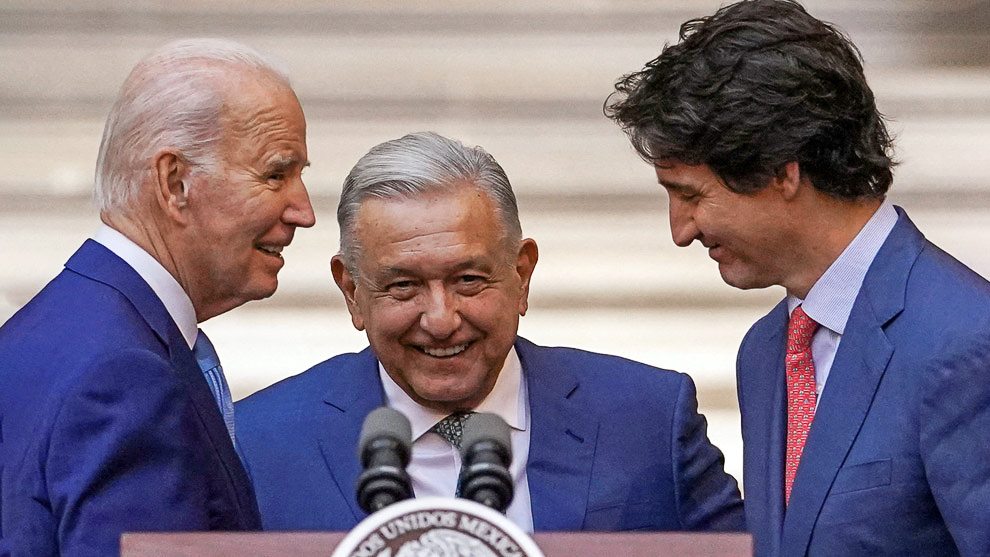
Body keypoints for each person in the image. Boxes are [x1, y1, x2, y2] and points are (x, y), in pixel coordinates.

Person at [606, 1, 990, 555]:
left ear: (783, 172)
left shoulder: (966, 343)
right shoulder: (766, 351)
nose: (680, 231)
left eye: (692, 195)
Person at [235, 131, 744, 533]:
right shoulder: (258, 442)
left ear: (522, 274)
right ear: (352, 292)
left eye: (469, 280)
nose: (441, 320)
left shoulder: (647, 418)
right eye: (404, 286)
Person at [0, 38, 315, 556]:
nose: (303, 210)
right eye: (275, 174)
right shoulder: (124, 375)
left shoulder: (50, 326)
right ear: (174, 183)